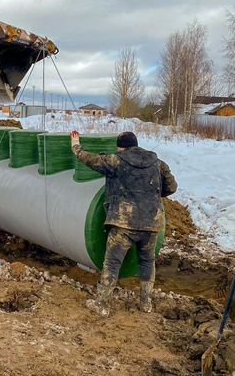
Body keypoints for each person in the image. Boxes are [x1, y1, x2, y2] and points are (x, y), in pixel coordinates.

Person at [70, 130, 177, 315]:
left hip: (123, 223)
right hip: (152, 222)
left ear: (121, 147)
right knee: (147, 261)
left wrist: (76, 146)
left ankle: (102, 304)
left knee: (112, 263)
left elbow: (90, 160)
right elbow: (172, 187)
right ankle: (145, 303)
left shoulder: (116, 161)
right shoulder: (157, 163)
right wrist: (151, 197)